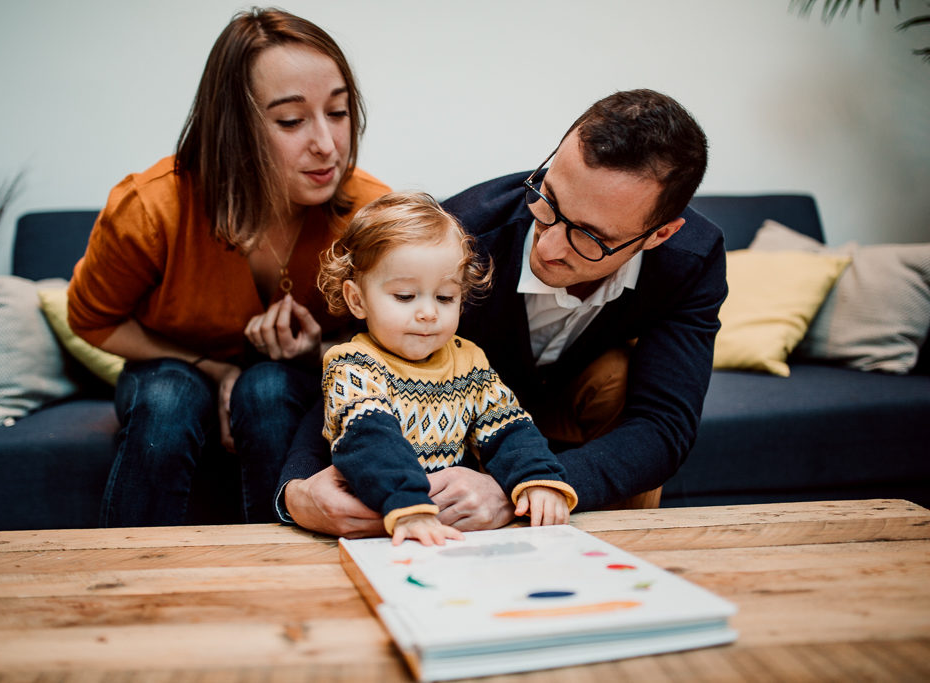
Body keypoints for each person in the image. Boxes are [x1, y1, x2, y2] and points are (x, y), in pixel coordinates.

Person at [276, 89, 727, 537]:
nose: (548, 246)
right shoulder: (456, 240)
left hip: (542, 422)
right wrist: (298, 490)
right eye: (549, 200)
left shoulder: (693, 260)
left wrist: (526, 488)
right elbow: (358, 371)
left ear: (659, 234)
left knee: (617, 377)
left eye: (590, 237)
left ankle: (614, 561)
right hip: (454, 415)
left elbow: (662, 425)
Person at [67, 8, 390, 527]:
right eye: (291, 120)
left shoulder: (371, 215)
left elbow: (408, 342)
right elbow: (91, 319)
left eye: (338, 111)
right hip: (172, 369)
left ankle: (287, 567)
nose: (327, 144)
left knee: (266, 389)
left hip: (295, 380)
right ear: (233, 127)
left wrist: (317, 351)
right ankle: (128, 571)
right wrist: (215, 369)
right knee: (168, 397)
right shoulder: (150, 209)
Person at [316, 191, 576, 545]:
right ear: (357, 299)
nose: (428, 313)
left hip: (452, 531)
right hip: (381, 526)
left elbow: (508, 428)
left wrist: (537, 479)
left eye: (445, 297)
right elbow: (371, 441)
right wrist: (409, 505)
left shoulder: (469, 361)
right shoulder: (353, 365)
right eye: (405, 296)